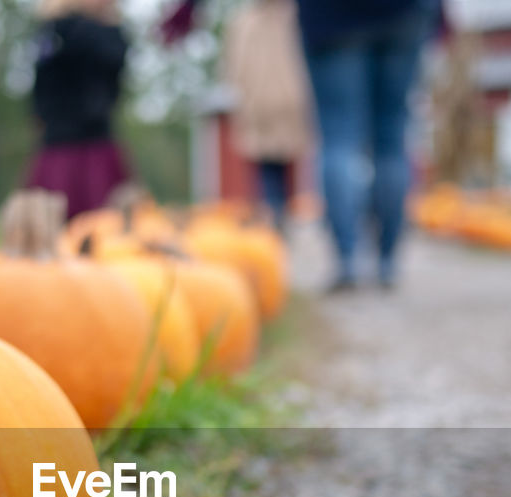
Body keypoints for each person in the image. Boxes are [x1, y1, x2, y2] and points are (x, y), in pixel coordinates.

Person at [163, 0, 441, 290]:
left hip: (332, 17)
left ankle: (347, 260)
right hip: (405, 11)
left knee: (339, 139)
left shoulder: (252, 24)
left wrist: (187, 9)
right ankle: (387, 263)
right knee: (391, 138)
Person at [26, 0, 132, 220]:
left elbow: (113, 77)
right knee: (60, 220)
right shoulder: (56, 31)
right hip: (62, 142)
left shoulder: (106, 34)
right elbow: (42, 85)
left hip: (94, 140)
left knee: (104, 224)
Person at [220, 0, 311, 232]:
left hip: (259, 103)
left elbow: (233, 68)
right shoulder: (297, 17)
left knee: (267, 166)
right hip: (291, 99)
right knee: (285, 163)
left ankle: (275, 214)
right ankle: (281, 215)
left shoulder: (242, 24)